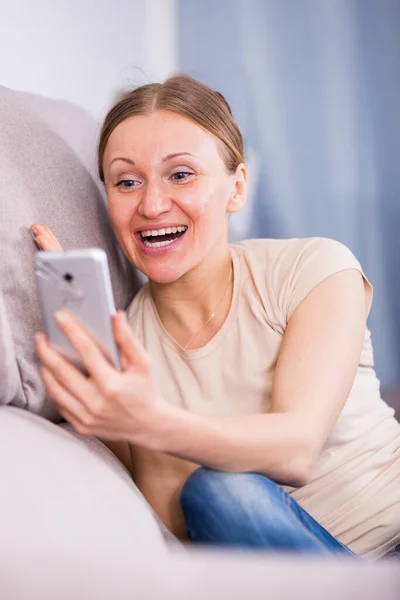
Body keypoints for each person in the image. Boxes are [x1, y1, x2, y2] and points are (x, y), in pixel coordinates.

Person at [30, 74, 400, 561]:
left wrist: (153, 422)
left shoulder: (316, 269)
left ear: (237, 188)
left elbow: (297, 448)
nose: (153, 204)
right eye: (126, 181)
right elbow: (180, 537)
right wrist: (108, 384)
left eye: (181, 174)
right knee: (216, 495)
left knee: (221, 489)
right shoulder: (129, 355)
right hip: (272, 582)